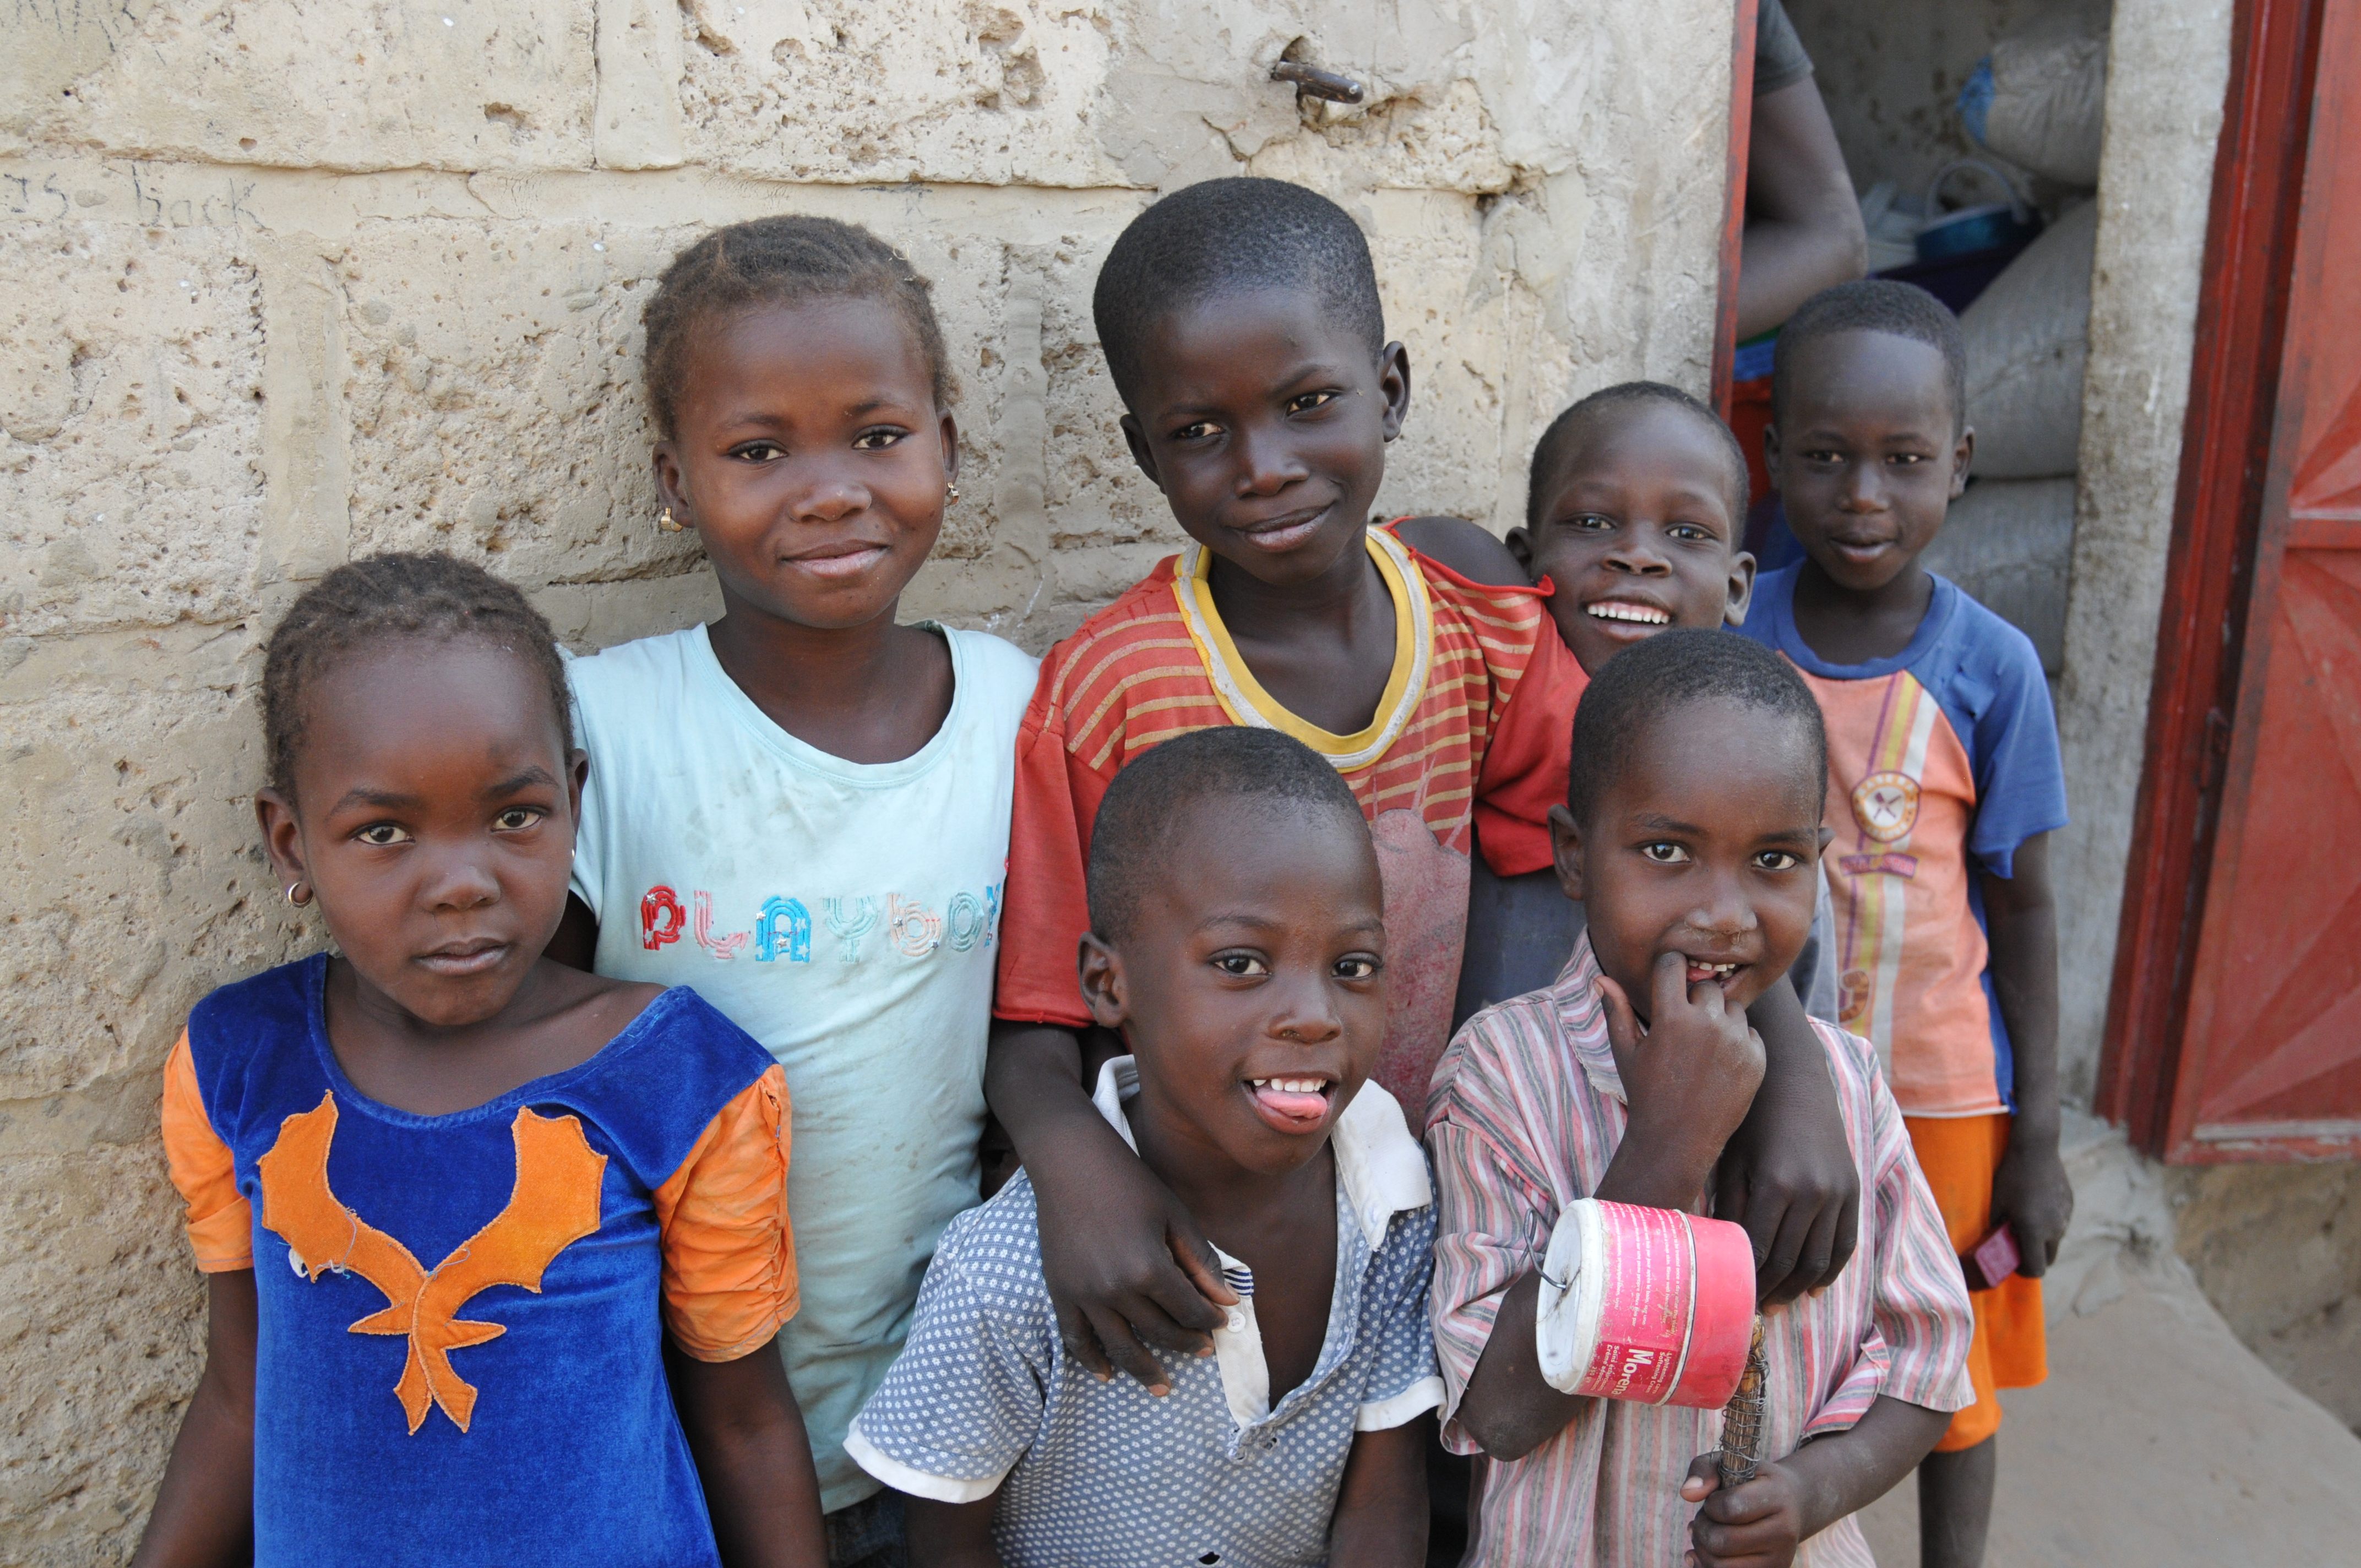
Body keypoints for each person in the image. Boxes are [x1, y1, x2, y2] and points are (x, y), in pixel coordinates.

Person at [984, 183, 1861, 1431]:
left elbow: (1658, 858)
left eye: (1307, 404)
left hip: (1435, 1197)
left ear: (1388, 390)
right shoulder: (1109, 688)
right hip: (1203, 1212)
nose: (1265, 465)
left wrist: (1794, 1076)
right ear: (1141, 452)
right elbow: (1031, 1015)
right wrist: (1072, 1172)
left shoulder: (1474, 620)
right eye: (1199, 430)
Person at [133, 554, 826, 1568]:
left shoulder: (679, 1083)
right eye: (383, 832)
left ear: (574, 802)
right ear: (289, 843)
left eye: (514, 817)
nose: (463, 882)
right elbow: (241, 1400)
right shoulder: (239, 1064)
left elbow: (745, 1423)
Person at [547, 216, 1040, 1566]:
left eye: (877, 435)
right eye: (758, 451)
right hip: (668, 1426)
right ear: (676, 478)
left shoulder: (1009, 707)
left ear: (950, 441)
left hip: (940, 1417)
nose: (827, 490)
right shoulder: (607, 726)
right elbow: (523, 1052)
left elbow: (1048, 1014)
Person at [1429, 629, 1974, 1567]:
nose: (1725, 913)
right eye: (1667, 850)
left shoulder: (1849, 1089)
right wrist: (1667, 1151)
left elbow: (1927, 1360)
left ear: (1819, 860)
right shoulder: (1503, 1077)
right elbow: (1499, 1409)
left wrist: (1812, 1493)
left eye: (1773, 862)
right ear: (1573, 856)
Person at [847, 728, 1439, 1567]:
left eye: (1353, 966)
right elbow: (945, 1543)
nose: (1315, 1015)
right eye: (1241, 963)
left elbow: (1385, 1509)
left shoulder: (1391, 1205)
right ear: (1107, 984)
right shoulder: (1003, 1276)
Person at [1736, 279, 2073, 1568]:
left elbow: (2024, 905)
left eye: (1902, 461)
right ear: (1772, 460)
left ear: (1961, 466)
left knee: (1951, 1367)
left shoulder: (1991, 669)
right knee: (1782, 1319)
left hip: (1939, 1088)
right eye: (1822, 459)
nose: (1861, 496)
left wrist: (2034, 1136)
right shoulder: (1739, 632)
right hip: (1774, 1070)